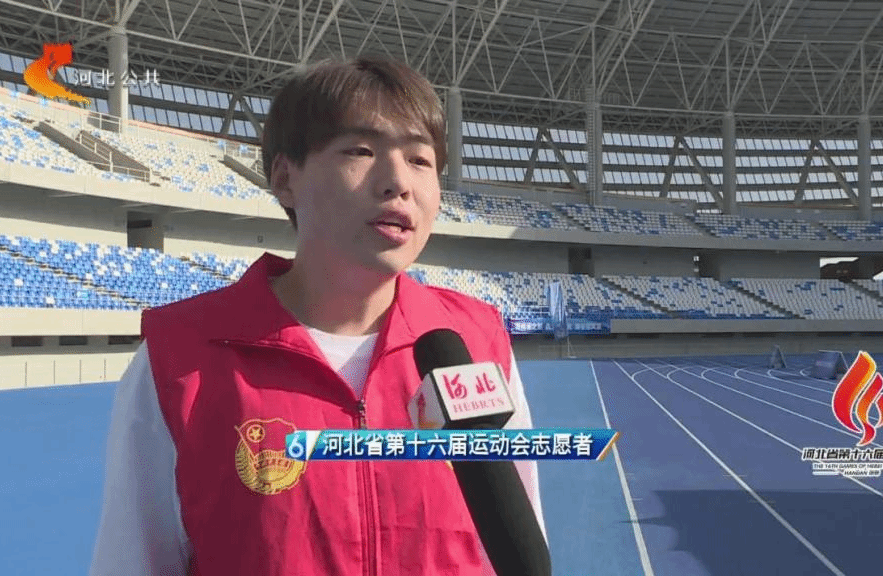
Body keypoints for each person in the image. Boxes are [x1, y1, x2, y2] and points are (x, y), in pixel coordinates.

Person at [89, 56, 547, 576]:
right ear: (285, 178)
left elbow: (518, 546)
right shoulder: (180, 358)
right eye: (361, 151)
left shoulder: (477, 342)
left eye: (420, 160)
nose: (399, 182)